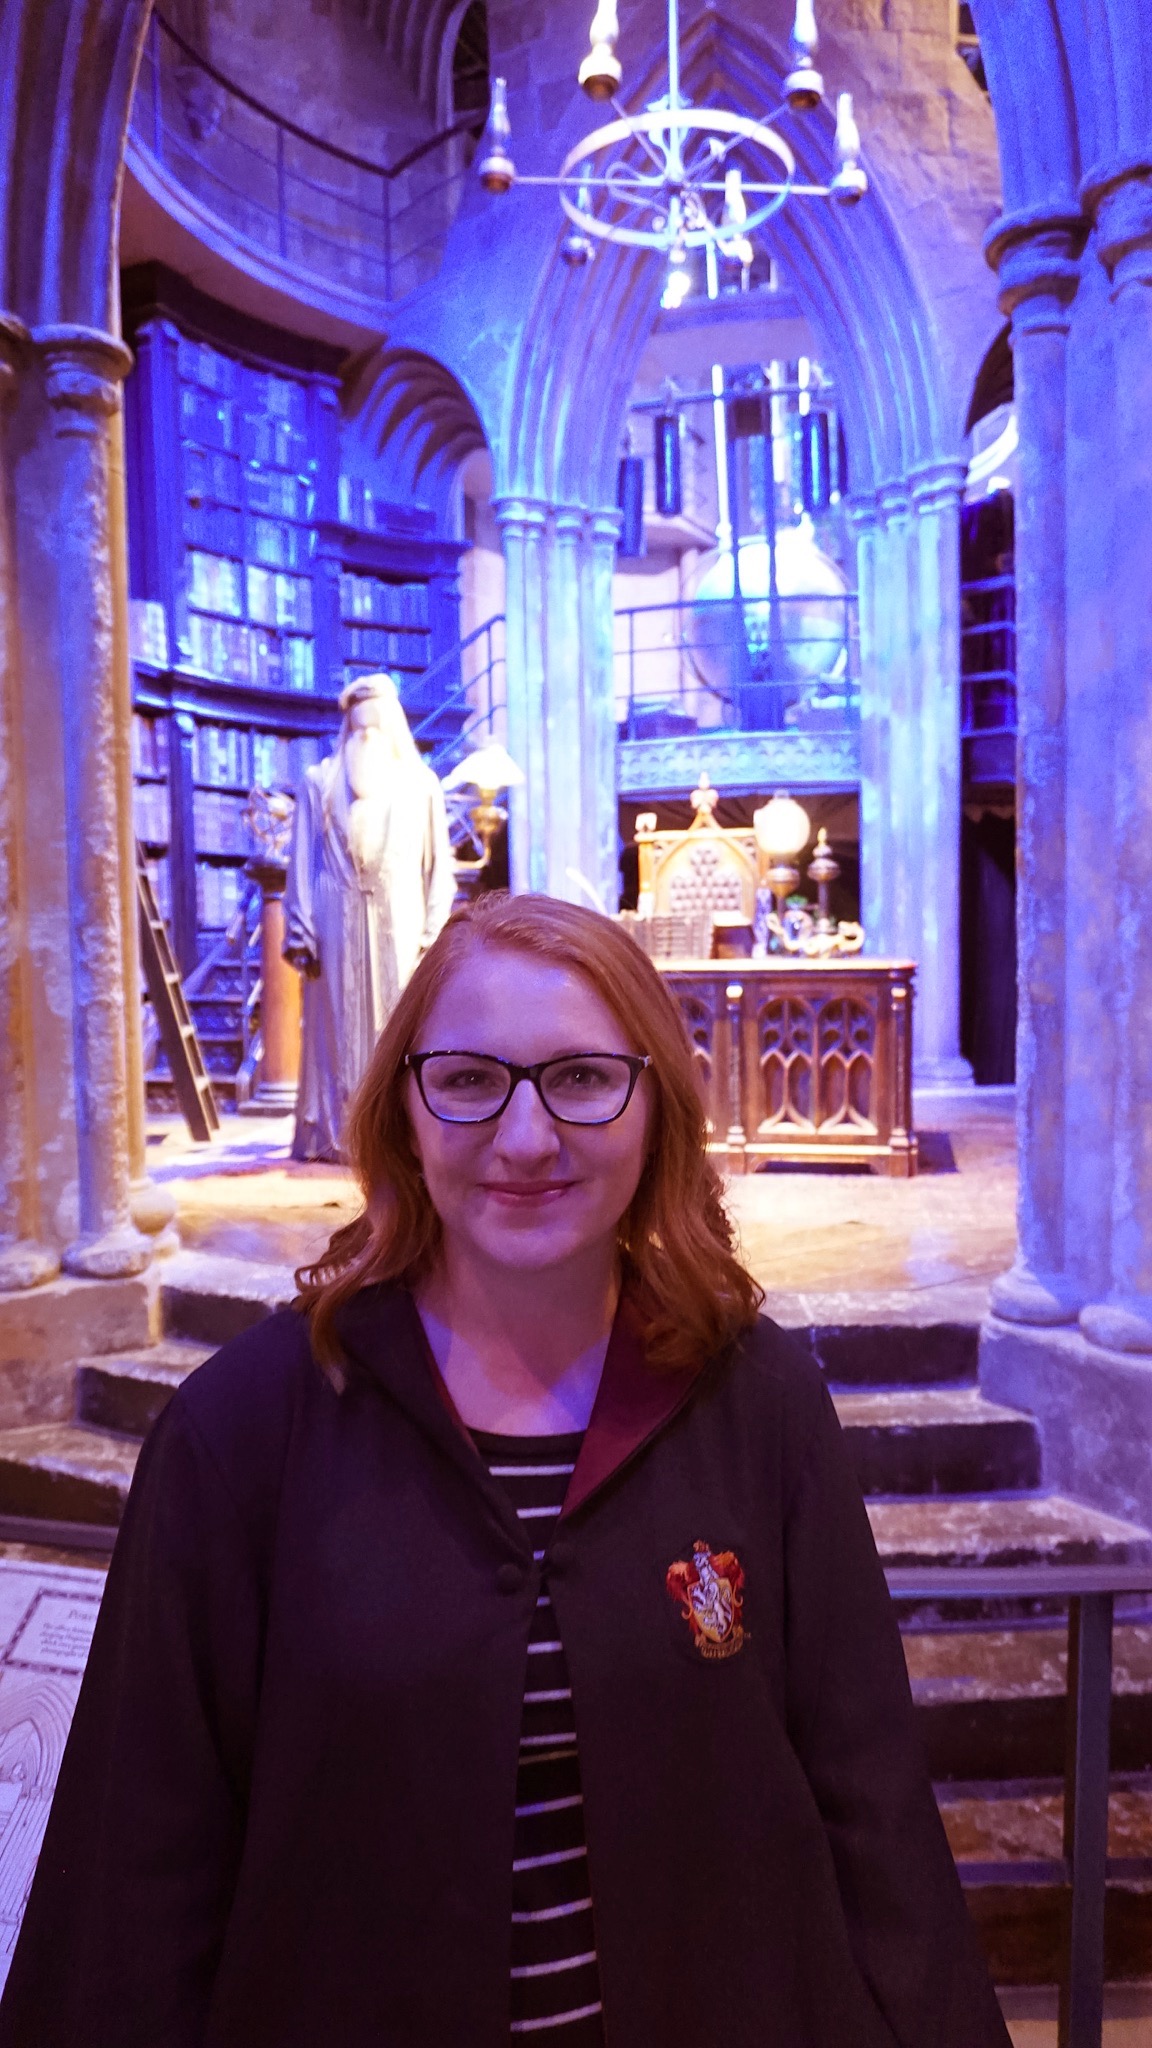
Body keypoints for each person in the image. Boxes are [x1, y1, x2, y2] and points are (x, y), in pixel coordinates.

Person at [0, 894, 1011, 2048]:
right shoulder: (240, 1435)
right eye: (471, 1079)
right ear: (404, 1108)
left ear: (657, 1103)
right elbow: (135, 1876)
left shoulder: (760, 1401)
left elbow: (872, 1802)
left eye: (581, 1077)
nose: (526, 1137)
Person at [283, 670, 456, 1161]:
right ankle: (335, 1135)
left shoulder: (421, 785)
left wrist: (433, 932)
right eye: (358, 723)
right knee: (335, 1030)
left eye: (375, 721)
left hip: (399, 922)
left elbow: (439, 867)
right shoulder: (319, 783)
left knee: (401, 1025)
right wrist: (302, 928)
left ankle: (399, 1138)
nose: (366, 733)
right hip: (334, 923)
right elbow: (303, 861)